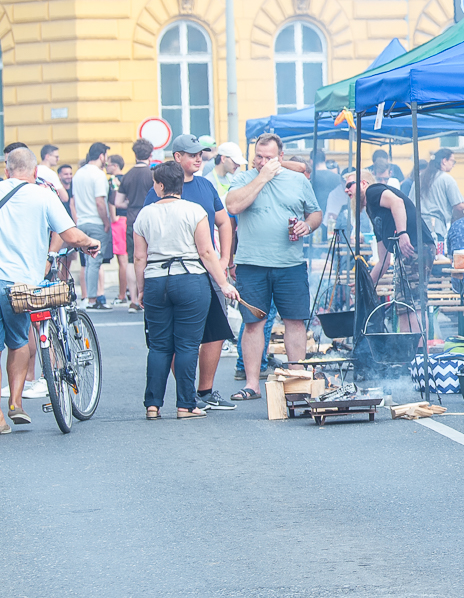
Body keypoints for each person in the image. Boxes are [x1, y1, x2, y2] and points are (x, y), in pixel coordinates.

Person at [0, 147, 100, 431]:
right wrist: (89, 243)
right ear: (34, 171)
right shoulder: (43, 195)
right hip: (19, 285)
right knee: (18, 341)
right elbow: (69, 234)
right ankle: (16, 402)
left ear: (7, 170)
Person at [133, 161, 240, 420]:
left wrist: (140, 289)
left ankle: (153, 405)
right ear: (181, 184)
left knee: (158, 346)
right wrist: (224, 283)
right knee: (187, 345)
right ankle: (185, 405)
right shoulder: (194, 211)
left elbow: (139, 257)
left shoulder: (145, 214)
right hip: (191, 279)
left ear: (159, 185)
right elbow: (205, 252)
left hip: (157, 280)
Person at [223, 133, 322, 402]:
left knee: (295, 321)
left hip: (289, 264)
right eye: (258, 156)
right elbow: (233, 205)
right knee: (254, 322)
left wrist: (308, 225)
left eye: (268, 157)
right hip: (251, 263)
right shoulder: (245, 178)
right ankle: (252, 384)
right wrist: (263, 176)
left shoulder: (297, 180)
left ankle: (297, 378)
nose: (262, 161)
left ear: (280, 157)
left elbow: (315, 212)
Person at [347, 169, 431, 317]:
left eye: (349, 185)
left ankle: (417, 340)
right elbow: (384, 261)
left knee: (413, 304)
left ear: (363, 183)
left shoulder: (373, 191)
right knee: (404, 306)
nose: (346, 189)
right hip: (407, 251)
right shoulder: (372, 210)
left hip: (415, 247)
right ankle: (407, 340)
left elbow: (397, 202)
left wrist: (402, 233)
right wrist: (366, 284)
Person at [72, 141, 113, 309]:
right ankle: (92, 299)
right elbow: (100, 202)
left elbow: (73, 201)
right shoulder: (98, 174)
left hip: (81, 222)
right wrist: (106, 222)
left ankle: (88, 298)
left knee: (88, 263)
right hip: (96, 222)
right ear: (101, 155)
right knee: (95, 262)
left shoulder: (78, 174)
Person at [118, 138, 156, 308]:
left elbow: (118, 202)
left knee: (133, 258)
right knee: (150, 257)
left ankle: (133, 299)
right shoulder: (152, 174)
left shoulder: (128, 175)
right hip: (151, 219)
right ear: (150, 154)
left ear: (135, 154)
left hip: (132, 218)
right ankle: (148, 296)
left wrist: (131, 203)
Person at [415, 148, 464, 241]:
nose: (453, 165)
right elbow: (459, 206)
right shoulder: (447, 179)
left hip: (418, 227)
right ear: (444, 161)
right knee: (437, 255)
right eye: (452, 161)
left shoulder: (420, 178)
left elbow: (411, 202)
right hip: (436, 229)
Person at [107, 153, 131, 304]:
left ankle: (122, 294)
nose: (106, 167)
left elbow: (112, 199)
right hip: (129, 219)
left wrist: (113, 215)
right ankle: (129, 290)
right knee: (130, 258)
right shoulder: (127, 178)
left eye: (108, 164)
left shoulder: (113, 180)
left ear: (115, 166)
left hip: (119, 221)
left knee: (122, 260)